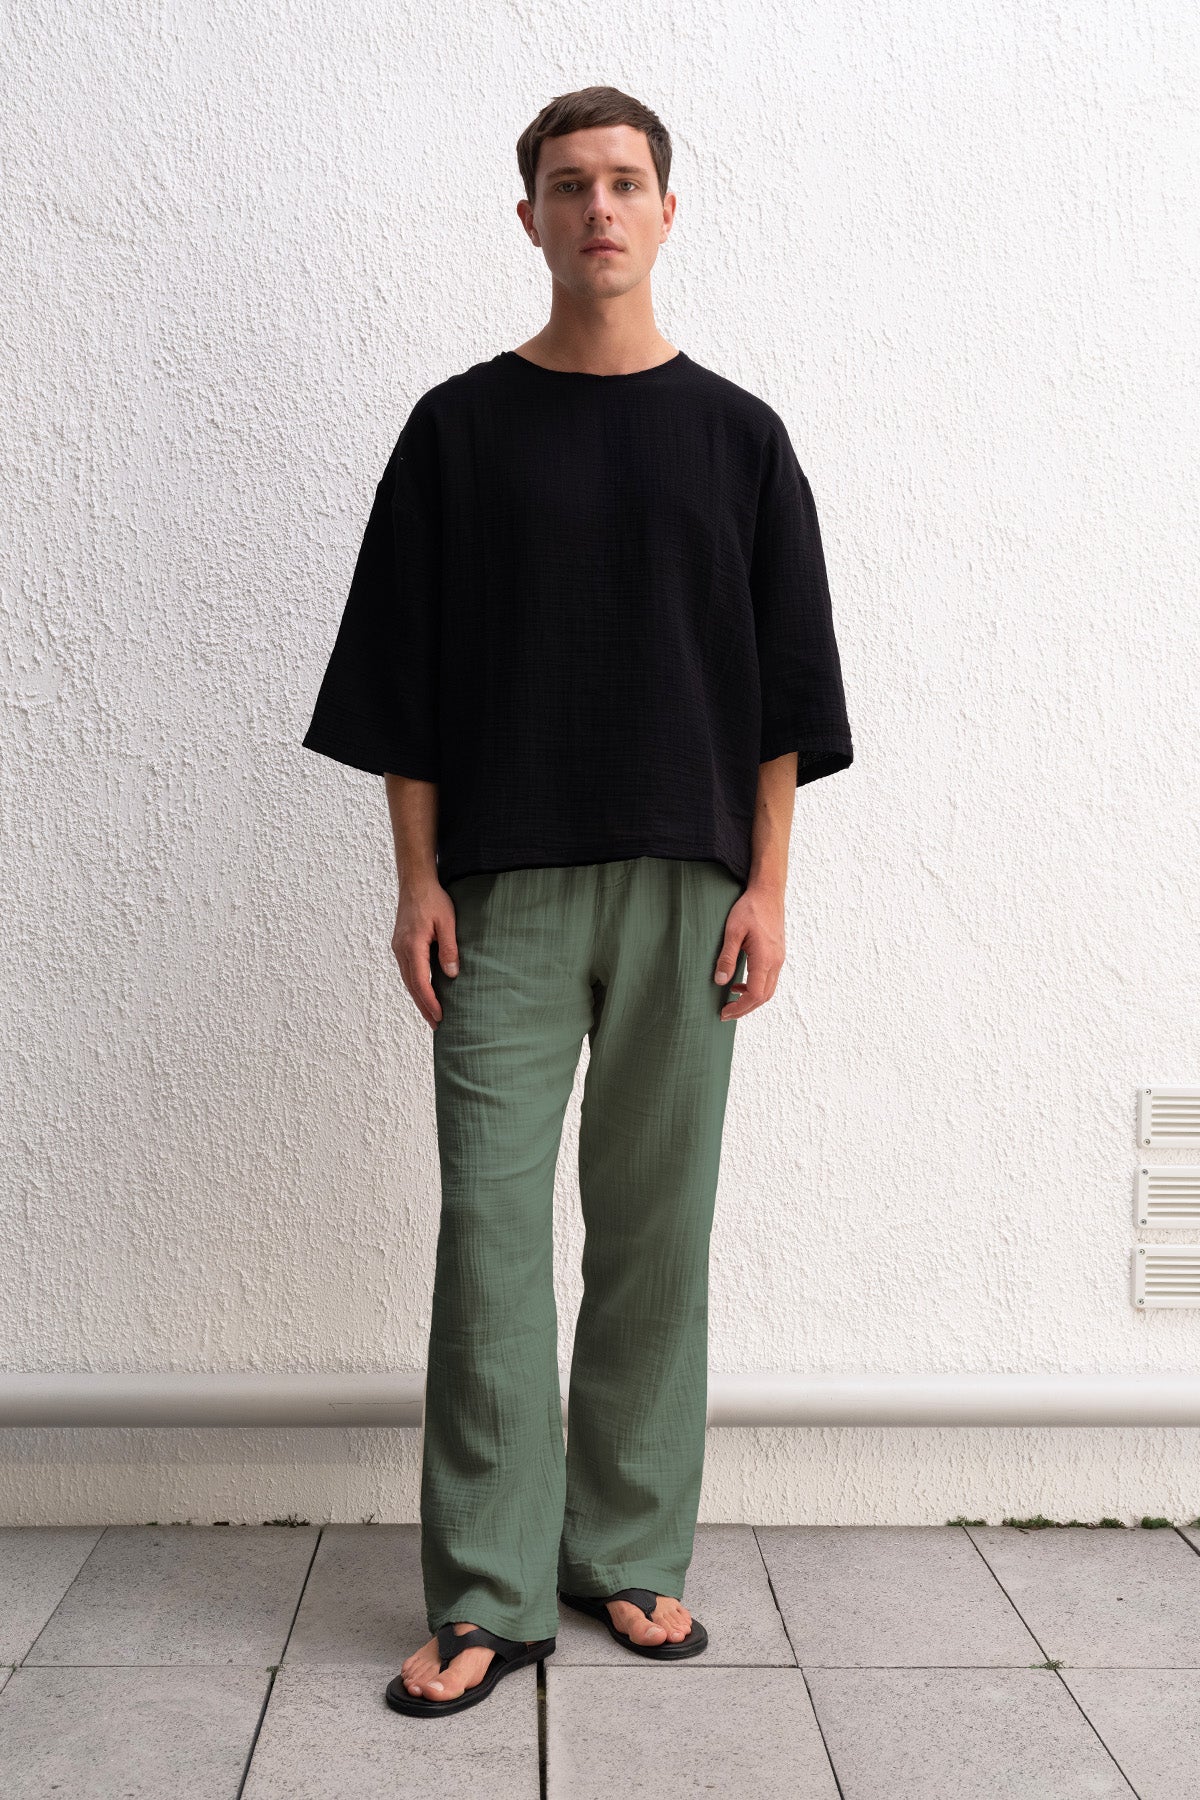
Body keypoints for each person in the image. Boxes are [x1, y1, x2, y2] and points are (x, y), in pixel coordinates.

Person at [301, 84, 854, 1718]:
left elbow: (786, 697)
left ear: (666, 213)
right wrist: (415, 880)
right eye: (567, 184)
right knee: (490, 1236)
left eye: (623, 182)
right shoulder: (458, 432)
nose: (597, 208)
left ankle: (625, 1551)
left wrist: (768, 888)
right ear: (530, 217)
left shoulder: (741, 439)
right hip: (504, 893)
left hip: (693, 889)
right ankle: (490, 1590)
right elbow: (402, 679)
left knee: (655, 1235)